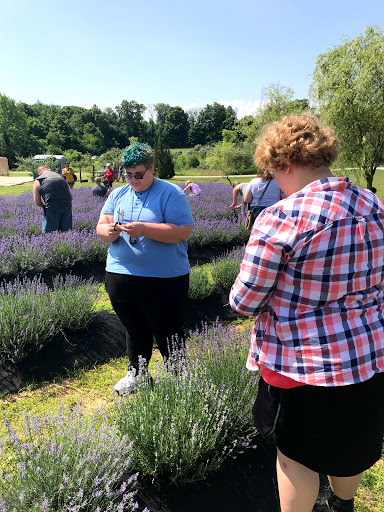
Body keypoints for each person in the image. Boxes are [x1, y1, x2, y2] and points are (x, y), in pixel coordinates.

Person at [229, 113, 384, 512]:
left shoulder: (281, 217)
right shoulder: (372, 203)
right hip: (365, 354)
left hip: (298, 364)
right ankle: (342, 505)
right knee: (349, 443)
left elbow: (245, 300)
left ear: (283, 164)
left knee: (294, 455)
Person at [96, 142, 193, 396]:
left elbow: (183, 232)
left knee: (167, 330)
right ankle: (138, 373)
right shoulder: (118, 194)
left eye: (138, 174)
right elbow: (102, 225)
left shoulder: (171, 194)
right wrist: (108, 232)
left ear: (152, 168)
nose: (133, 179)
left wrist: (144, 229)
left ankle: (179, 378)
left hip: (164, 278)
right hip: (120, 273)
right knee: (134, 328)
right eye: (128, 174)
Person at [33, 165, 73, 233]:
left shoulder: (38, 180)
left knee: (50, 234)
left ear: (39, 173)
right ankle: (62, 243)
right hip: (67, 205)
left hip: (51, 206)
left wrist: (44, 207)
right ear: (49, 169)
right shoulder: (61, 177)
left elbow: (37, 201)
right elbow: (71, 197)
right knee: (65, 233)